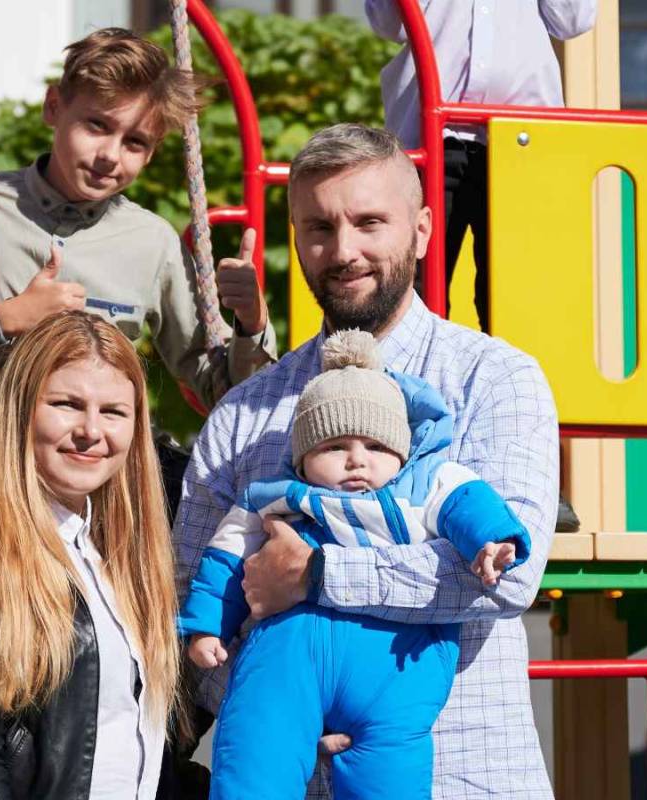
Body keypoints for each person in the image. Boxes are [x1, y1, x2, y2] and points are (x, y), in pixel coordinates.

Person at [175, 123, 560, 798]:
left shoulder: (493, 379)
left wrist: (318, 575)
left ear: (421, 229)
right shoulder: (243, 415)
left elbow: (507, 576)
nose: (343, 250)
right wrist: (289, 707)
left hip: (461, 772)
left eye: (369, 222)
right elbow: (191, 600)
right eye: (319, 228)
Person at [0, 28, 275, 500]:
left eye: (134, 143)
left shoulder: (151, 241)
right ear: (54, 107)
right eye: (96, 126)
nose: (109, 156)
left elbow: (222, 391)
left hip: (115, 470)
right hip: (3, 467)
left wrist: (250, 326)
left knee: (238, 506)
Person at [180, 330, 529, 799]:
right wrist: (207, 627)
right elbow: (221, 559)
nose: (357, 461)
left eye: (377, 447)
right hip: (288, 668)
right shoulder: (273, 497)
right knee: (256, 750)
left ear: (402, 453)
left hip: (394, 673)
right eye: (334, 447)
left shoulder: (426, 486)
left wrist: (492, 543)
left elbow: (471, 505)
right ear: (302, 459)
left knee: (392, 774)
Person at [0, 311, 184, 798]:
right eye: (67, 404)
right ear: (22, 412)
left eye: (113, 412)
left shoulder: (118, 564)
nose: (91, 430)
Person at [365, 0, 597, 328]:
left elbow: (573, 20)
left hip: (520, 138)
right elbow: (390, 24)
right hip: (432, 134)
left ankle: (503, 377)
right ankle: (414, 375)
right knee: (417, 285)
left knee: (509, 290)